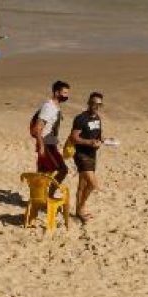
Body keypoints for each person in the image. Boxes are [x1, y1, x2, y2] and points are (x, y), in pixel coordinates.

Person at [69, 93, 108, 222]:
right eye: (93, 103)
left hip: (92, 154)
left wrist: (102, 139)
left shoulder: (97, 118)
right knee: (92, 184)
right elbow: (74, 138)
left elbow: (98, 134)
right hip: (81, 154)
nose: (96, 106)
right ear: (88, 102)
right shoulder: (81, 118)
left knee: (82, 185)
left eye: (99, 104)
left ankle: (78, 212)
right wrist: (89, 142)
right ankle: (81, 208)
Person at [31, 80, 70, 195]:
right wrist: (41, 146)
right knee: (62, 170)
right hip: (46, 143)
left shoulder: (55, 107)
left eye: (67, 93)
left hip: (50, 142)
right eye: (64, 93)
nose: (66, 96)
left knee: (43, 171)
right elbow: (37, 128)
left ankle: (38, 197)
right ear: (57, 93)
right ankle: (50, 194)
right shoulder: (49, 107)